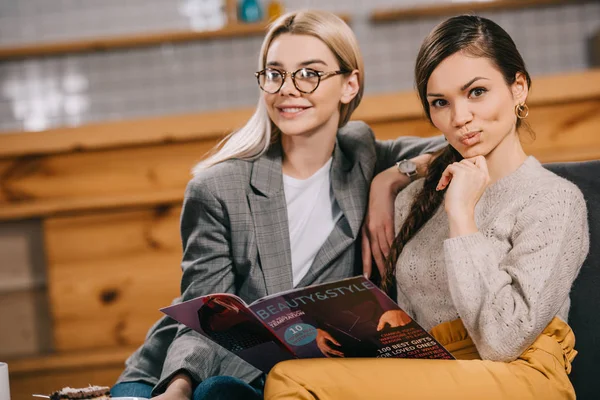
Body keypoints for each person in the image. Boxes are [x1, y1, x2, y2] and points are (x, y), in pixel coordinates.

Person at [110, 9, 444, 400]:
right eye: (275, 73)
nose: (288, 88)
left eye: (310, 73)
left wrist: (391, 179)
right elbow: (204, 319)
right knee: (214, 392)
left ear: (349, 85)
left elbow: (464, 145)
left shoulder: (366, 158)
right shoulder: (217, 188)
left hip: (287, 379)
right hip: (180, 370)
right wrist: (178, 389)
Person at [264, 14, 589, 400]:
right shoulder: (415, 198)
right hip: (435, 372)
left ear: (518, 87)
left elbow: (503, 342)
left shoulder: (554, 200)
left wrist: (462, 216)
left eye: (477, 92)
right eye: (440, 102)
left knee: (290, 380)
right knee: (298, 368)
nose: (460, 117)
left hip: (519, 375)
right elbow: (414, 328)